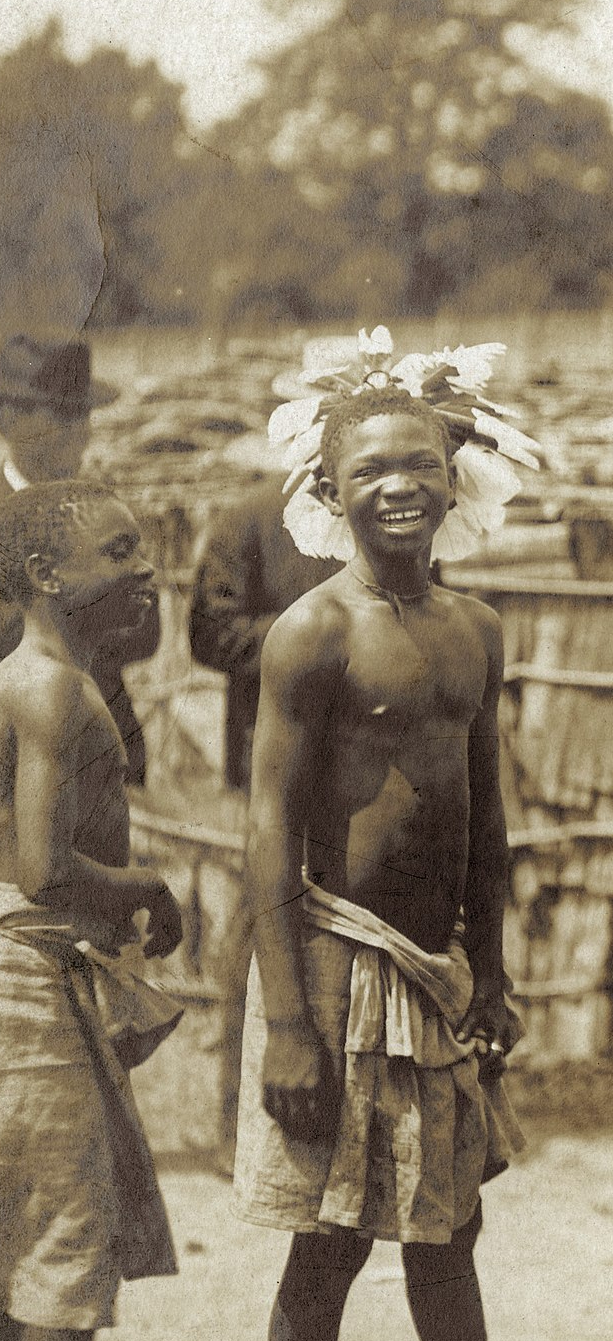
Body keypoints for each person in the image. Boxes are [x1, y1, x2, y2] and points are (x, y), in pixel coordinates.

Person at [235, 371, 613, 1341]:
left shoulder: (475, 628)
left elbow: (483, 807)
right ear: (327, 490)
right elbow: (264, 835)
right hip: (338, 960)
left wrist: (490, 963)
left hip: (434, 970)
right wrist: (288, 1022)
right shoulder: (315, 632)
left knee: (449, 1222)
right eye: (371, 470)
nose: (399, 485)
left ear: (457, 479)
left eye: (421, 465)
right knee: (332, 1235)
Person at [0, 479, 184, 1341]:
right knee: (64, 1261)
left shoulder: (21, 680)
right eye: (120, 550)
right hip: (29, 979)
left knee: (19, 1253)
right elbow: (41, 868)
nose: (145, 567)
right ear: (45, 577)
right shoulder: (54, 691)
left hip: (17, 976)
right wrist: (149, 885)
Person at [188, 476, 341, 1171]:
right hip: (270, 764)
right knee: (261, 929)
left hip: (366, 767)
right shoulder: (249, 519)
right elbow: (208, 631)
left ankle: (335, 1121)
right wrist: (319, 645)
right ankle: (237, 1128)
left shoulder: (388, 521)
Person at [0, 338, 147, 787]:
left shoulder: (102, 509)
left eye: (83, 415)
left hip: (104, 740)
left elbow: (148, 632)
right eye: (61, 415)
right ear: (10, 420)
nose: (77, 431)